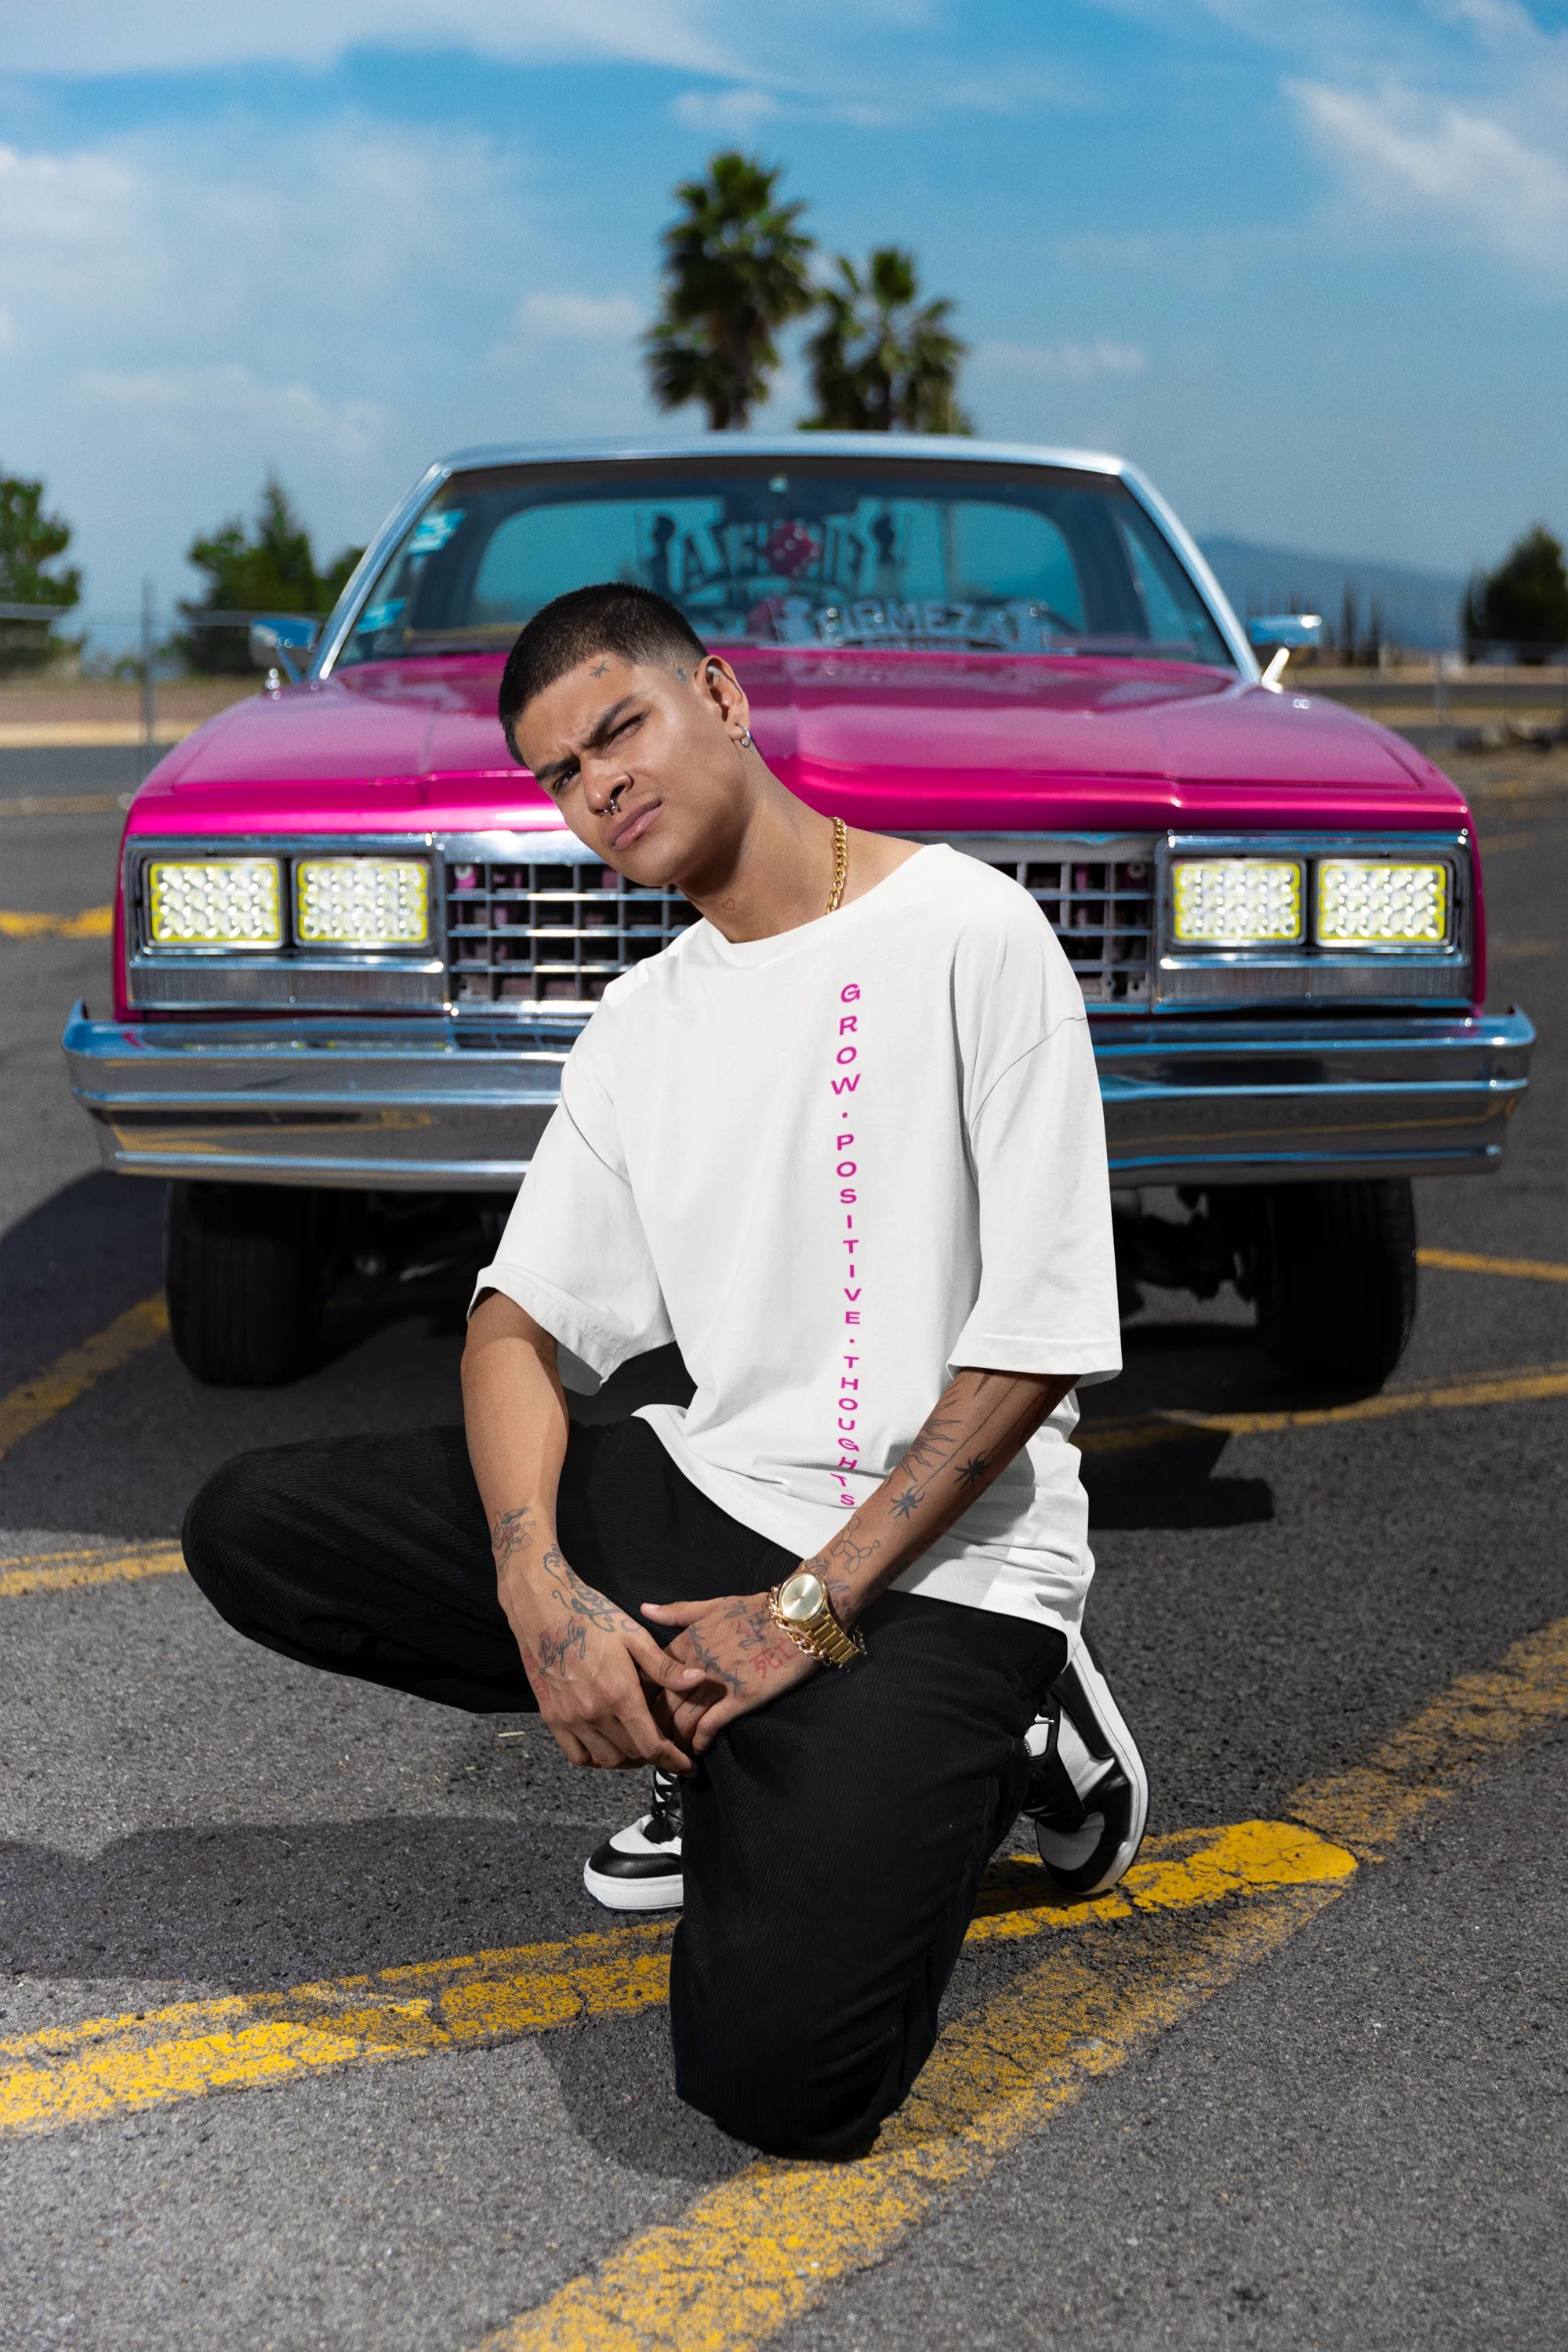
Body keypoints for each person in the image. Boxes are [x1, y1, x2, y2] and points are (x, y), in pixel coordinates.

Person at [182, 583, 1147, 2160]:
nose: (600, 788)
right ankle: (719, 1742)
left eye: (619, 728)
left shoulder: (971, 931)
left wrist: (807, 1615)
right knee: (251, 1523)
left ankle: (1015, 1736)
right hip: (713, 1495)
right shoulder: (641, 1023)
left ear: (721, 696)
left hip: (944, 1574)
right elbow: (512, 1326)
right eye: (560, 774)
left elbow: (1035, 1341)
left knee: (784, 2089)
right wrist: (539, 1594)